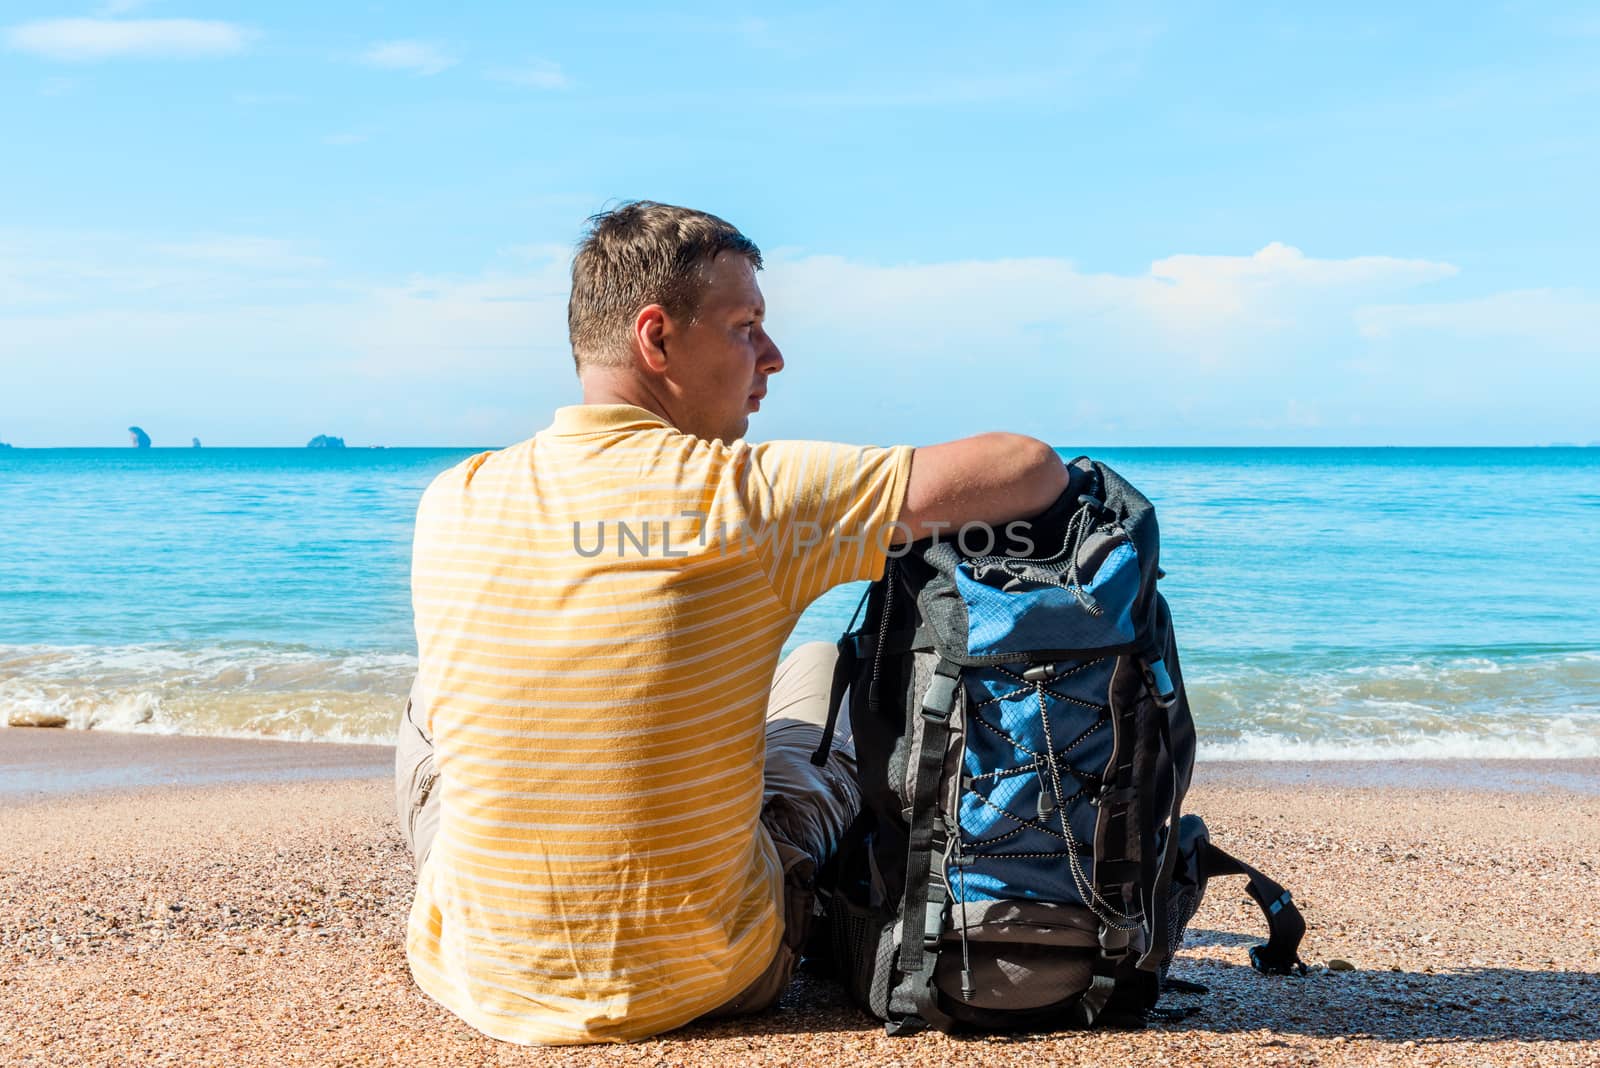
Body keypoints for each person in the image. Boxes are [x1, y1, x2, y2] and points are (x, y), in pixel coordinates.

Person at [394, 201, 1068, 1044]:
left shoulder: (453, 498)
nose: (773, 357)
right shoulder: (753, 496)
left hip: (478, 973)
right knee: (818, 669)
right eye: (747, 325)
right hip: (716, 972)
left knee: (432, 703)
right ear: (656, 337)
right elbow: (1027, 467)